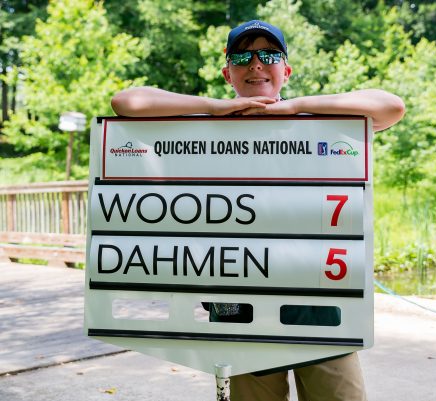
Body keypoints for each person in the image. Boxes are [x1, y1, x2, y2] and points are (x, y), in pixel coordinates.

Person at [111, 20, 405, 401]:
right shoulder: (204, 125)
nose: (255, 65)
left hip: (320, 306)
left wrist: (294, 107)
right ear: (227, 71)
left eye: (268, 55)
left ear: (286, 69)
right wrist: (216, 108)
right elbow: (126, 102)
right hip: (240, 306)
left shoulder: (319, 123)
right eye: (242, 56)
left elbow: (390, 107)